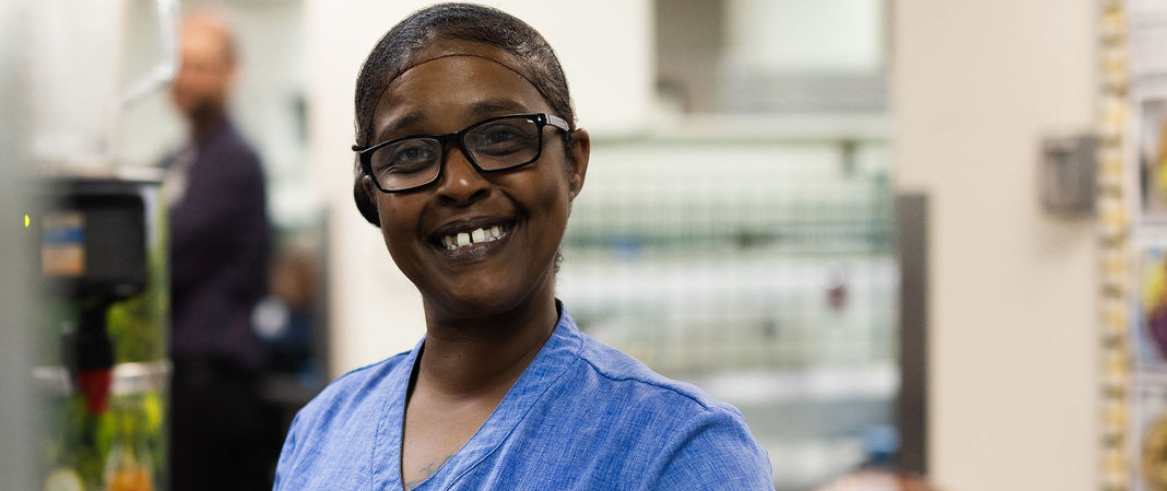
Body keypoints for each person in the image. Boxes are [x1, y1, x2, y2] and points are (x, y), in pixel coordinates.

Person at [275, 4, 773, 489]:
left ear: (574, 163)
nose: (461, 183)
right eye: (410, 153)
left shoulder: (677, 449)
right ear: (372, 194)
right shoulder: (323, 430)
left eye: (502, 138)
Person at [160, 7, 280, 490]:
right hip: (181, 383)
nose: (186, 78)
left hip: (214, 387)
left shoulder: (234, 161)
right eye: (178, 65)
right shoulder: (174, 160)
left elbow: (166, 255)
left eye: (200, 65)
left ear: (231, 73)